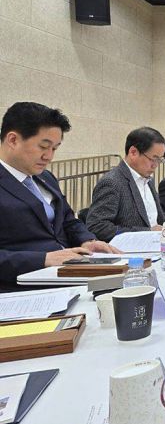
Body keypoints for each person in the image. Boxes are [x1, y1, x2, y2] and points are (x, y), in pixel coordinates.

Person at [0, 102, 118, 290]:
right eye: (43, 146)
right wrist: (44, 259)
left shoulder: (45, 178)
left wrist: (87, 240)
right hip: (21, 287)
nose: (49, 156)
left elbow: (68, 219)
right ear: (13, 140)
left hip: (69, 275)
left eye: (54, 148)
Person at [87, 127, 165, 242]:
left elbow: (150, 219)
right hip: (131, 248)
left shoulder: (148, 180)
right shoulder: (112, 182)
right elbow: (97, 227)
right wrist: (147, 232)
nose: (155, 165)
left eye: (159, 160)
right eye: (153, 159)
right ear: (133, 152)